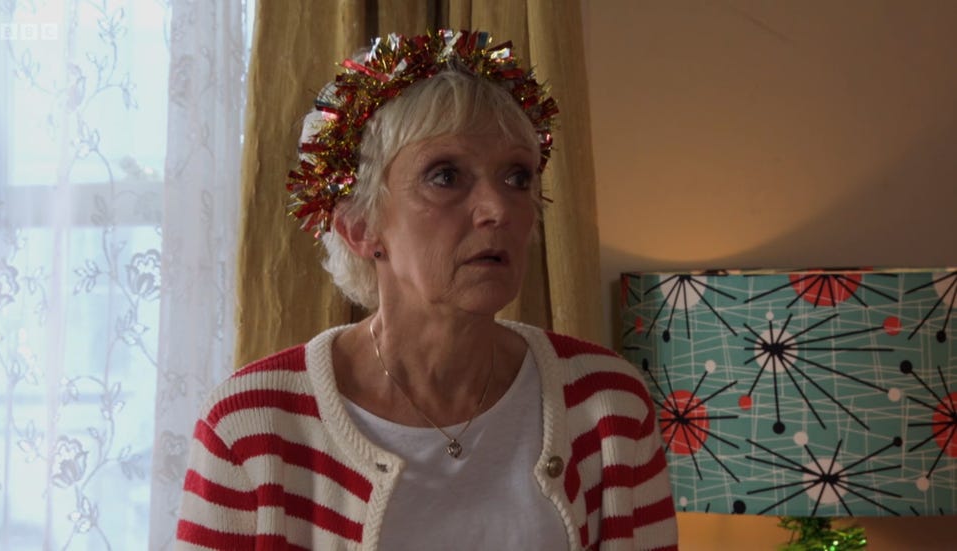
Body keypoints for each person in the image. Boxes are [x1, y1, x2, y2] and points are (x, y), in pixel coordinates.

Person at [175, 29, 678, 550]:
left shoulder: (607, 405)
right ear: (360, 227)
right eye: (445, 176)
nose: (498, 209)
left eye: (517, 178)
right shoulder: (250, 426)